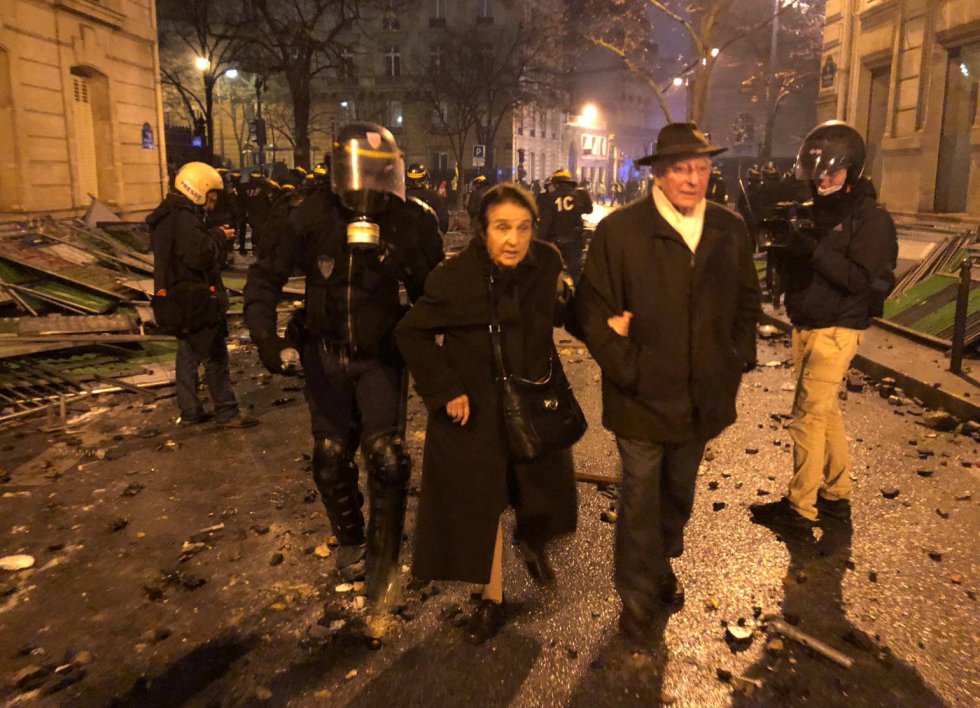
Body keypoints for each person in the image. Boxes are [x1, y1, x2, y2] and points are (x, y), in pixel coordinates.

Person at [243, 123, 443, 633]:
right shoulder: (310, 214)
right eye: (361, 173)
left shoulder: (411, 220)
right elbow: (264, 277)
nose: (368, 187)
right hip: (325, 354)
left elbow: (434, 292)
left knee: (389, 460)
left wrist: (399, 263)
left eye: (380, 174)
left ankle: (385, 564)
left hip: (380, 356)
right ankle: (351, 544)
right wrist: (269, 340)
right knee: (330, 459)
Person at [569, 123, 760, 649]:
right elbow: (590, 311)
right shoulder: (622, 231)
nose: (693, 178)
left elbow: (748, 299)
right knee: (638, 498)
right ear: (658, 172)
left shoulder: (729, 228)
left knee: (678, 494)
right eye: (681, 168)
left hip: (702, 398)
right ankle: (636, 597)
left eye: (701, 167)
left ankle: (659, 565)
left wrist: (735, 358)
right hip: (640, 398)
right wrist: (626, 366)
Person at [396, 183, 577, 645]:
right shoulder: (454, 279)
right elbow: (410, 333)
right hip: (474, 409)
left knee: (539, 494)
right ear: (482, 230)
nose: (514, 239)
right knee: (483, 507)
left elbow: (564, 312)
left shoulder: (546, 264)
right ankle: (490, 597)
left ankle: (532, 540)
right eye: (502, 228)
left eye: (523, 227)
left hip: (533, 401)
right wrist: (446, 389)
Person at [749, 121, 897, 532]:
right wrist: (786, 247)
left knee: (806, 418)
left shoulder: (872, 220)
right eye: (818, 173)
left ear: (854, 170)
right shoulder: (817, 213)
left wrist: (811, 251)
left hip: (837, 331)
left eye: (833, 172)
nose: (824, 180)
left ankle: (800, 508)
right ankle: (836, 494)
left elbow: (858, 280)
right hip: (808, 326)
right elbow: (805, 266)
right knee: (825, 415)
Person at [147, 161, 259, 429]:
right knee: (215, 353)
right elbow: (198, 255)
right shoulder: (184, 218)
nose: (212, 204)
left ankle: (190, 411)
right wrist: (219, 237)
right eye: (211, 196)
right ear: (197, 189)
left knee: (187, 353)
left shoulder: (169, 215)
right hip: (194, 298)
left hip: (177, 297)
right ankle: (227, 411)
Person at [537, 169, 593, 283]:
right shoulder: (578, 195)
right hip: (574, 241)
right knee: (576, 274)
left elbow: (545, 223)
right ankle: (580, 298)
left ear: (556, 183)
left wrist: (539, 242)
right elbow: (589, 210)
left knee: (551, 275)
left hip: (555, 242)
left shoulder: (550, 198)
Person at [406, 162, 449, 234]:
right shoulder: (433, 196)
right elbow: (443, 221)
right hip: (428, 240)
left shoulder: (400, 196)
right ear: (425, 178)